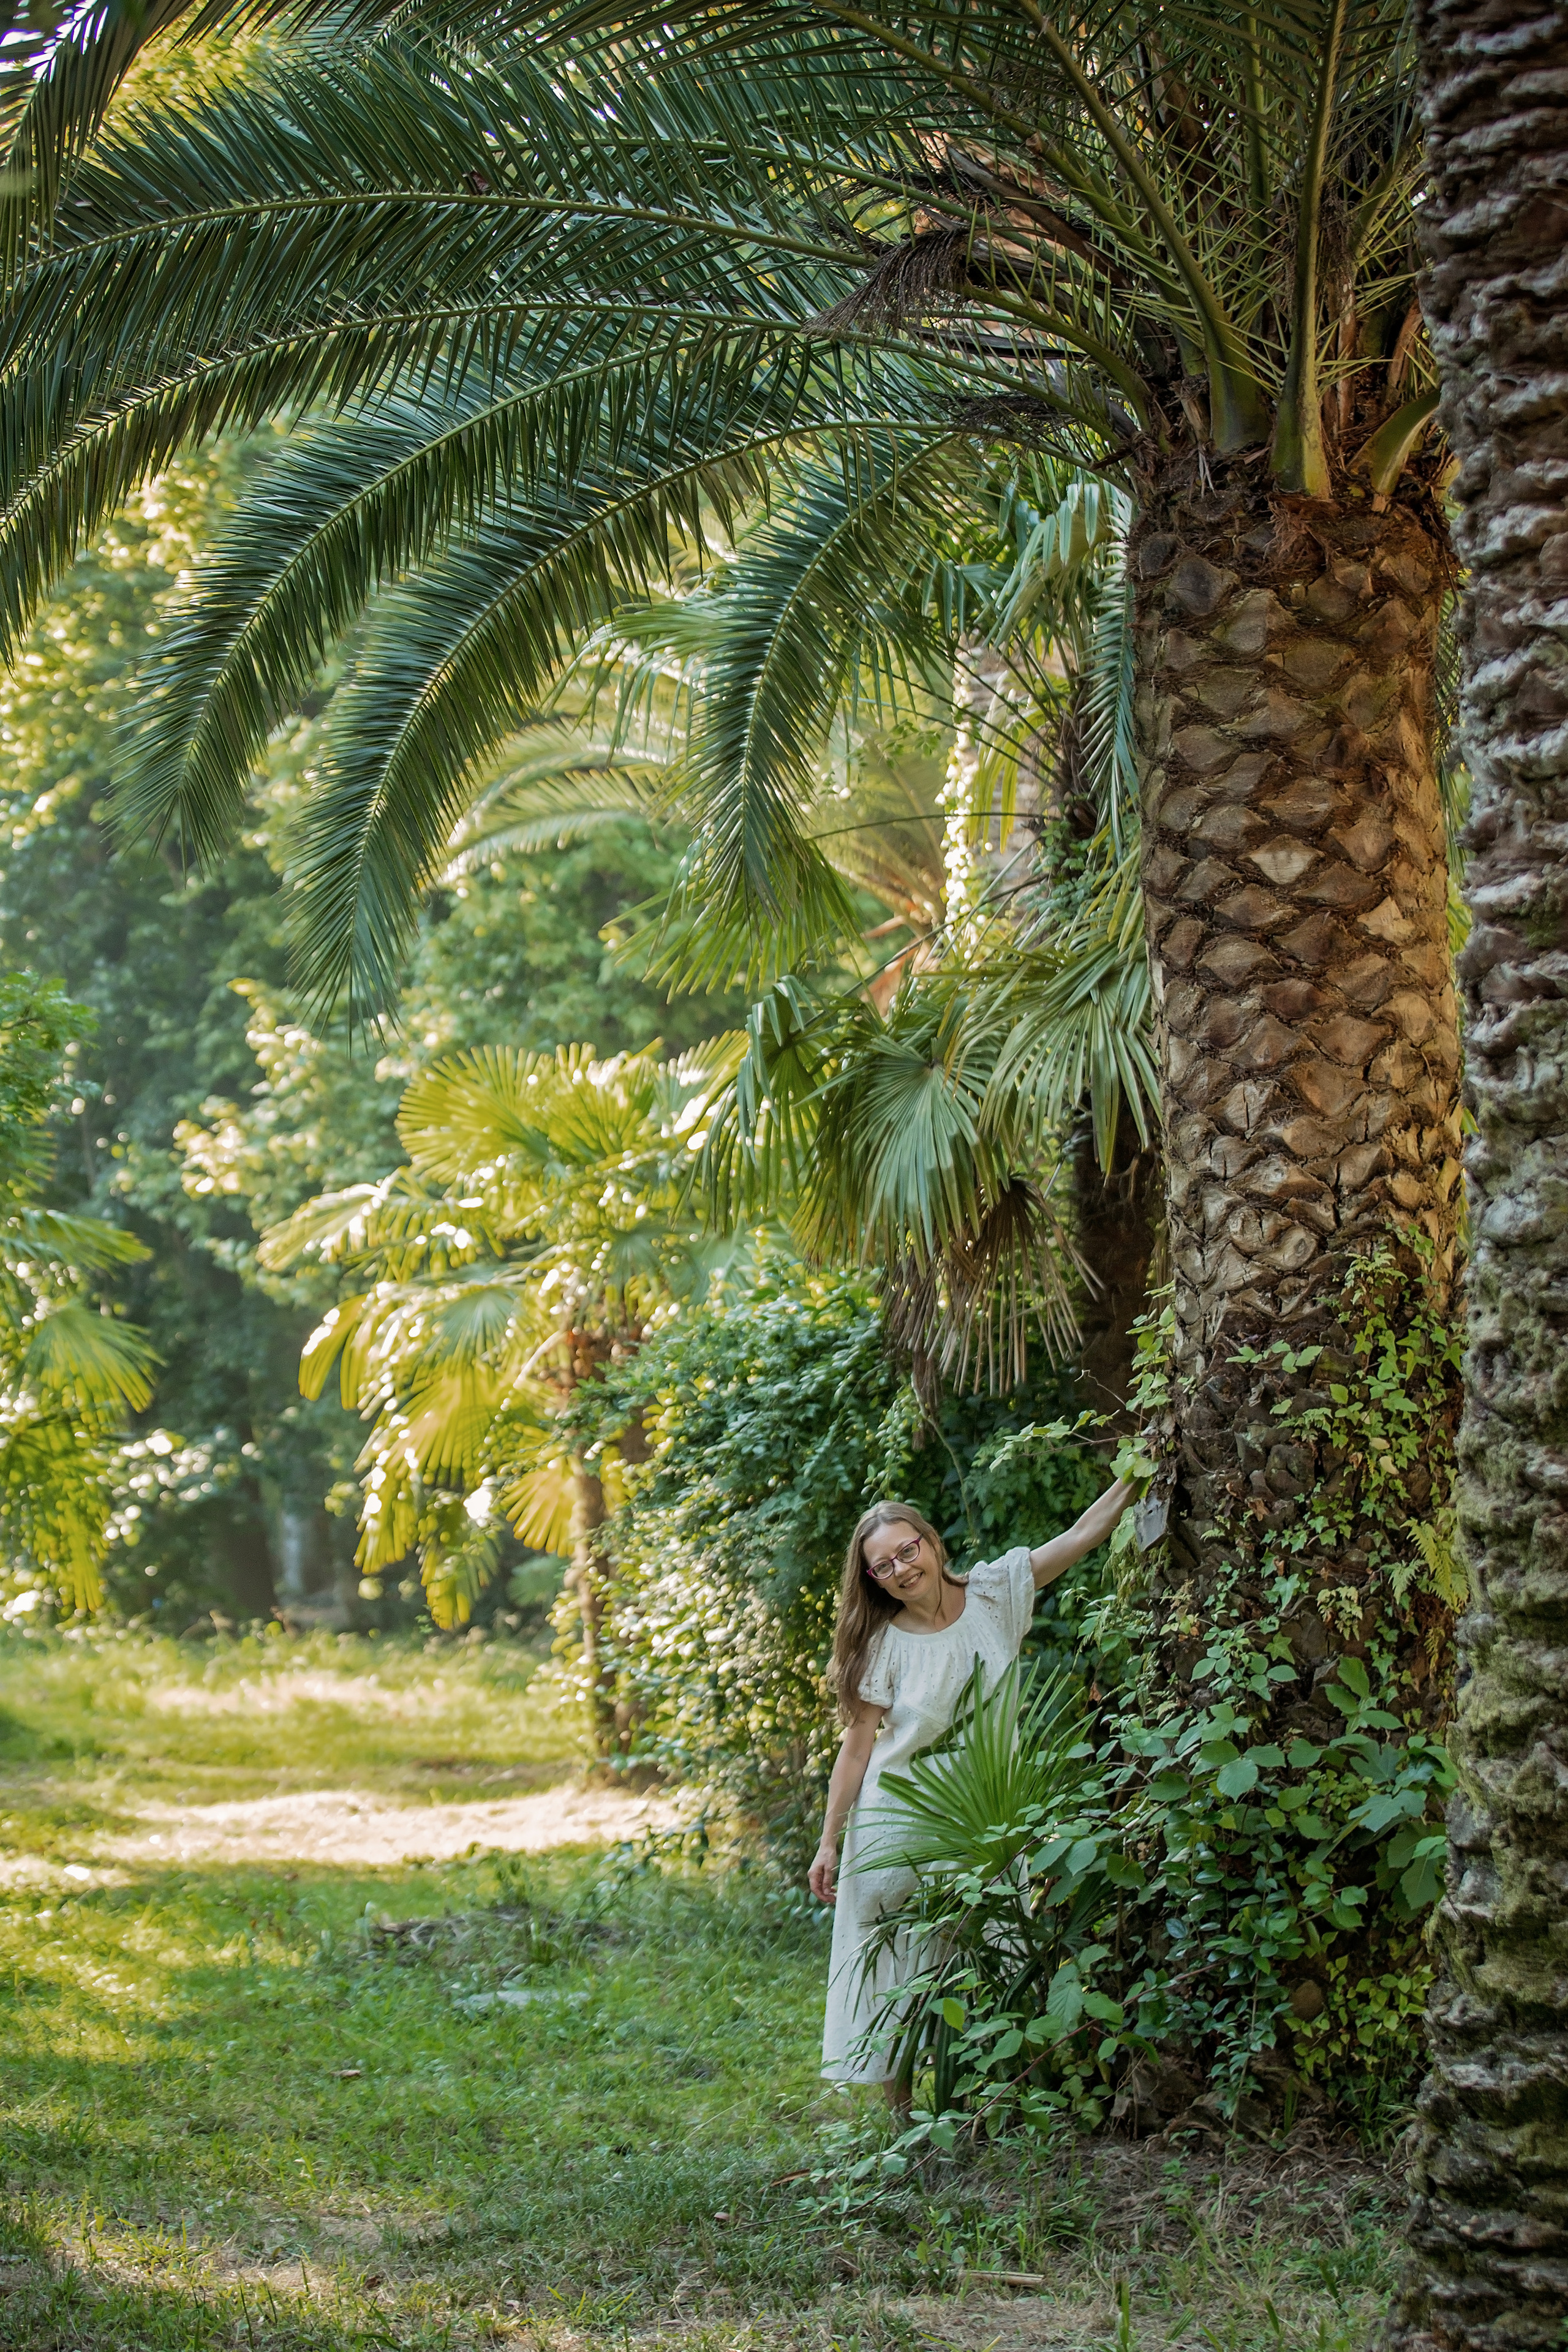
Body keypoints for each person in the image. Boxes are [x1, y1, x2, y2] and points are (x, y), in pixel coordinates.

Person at [808, 1481, 1135, 2095]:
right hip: (899, 1823)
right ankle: (907, 2122)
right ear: (874, 1580)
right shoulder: (883, 1644)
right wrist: (829, 1843)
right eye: (883, 1566)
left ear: (930, 1541)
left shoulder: (993, 1592)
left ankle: (988, 2105)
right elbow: (855, 1752)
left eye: (907, 1552)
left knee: (992, 1959)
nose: (901, 1570)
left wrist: (1138, 1470)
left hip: (988, 1820)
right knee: (897, 1972)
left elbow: (1080, 1535)